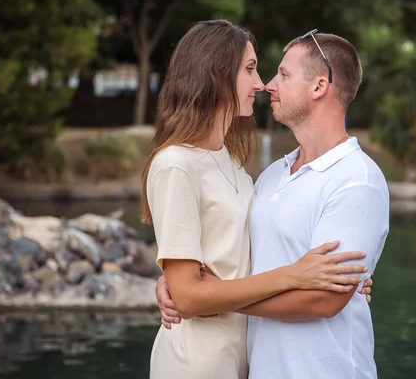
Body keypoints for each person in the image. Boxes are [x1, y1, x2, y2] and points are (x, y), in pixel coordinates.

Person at [142, 20, 373, 379]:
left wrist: (351, 285)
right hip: (198, 363)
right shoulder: (181, 164)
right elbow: (191, 293)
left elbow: (239, 259)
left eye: (279, 73)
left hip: (246, 360)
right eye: (251, 69)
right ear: (217, 75)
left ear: (320, 86)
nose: (264, 83)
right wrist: (293, 277)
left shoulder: (236, 166)